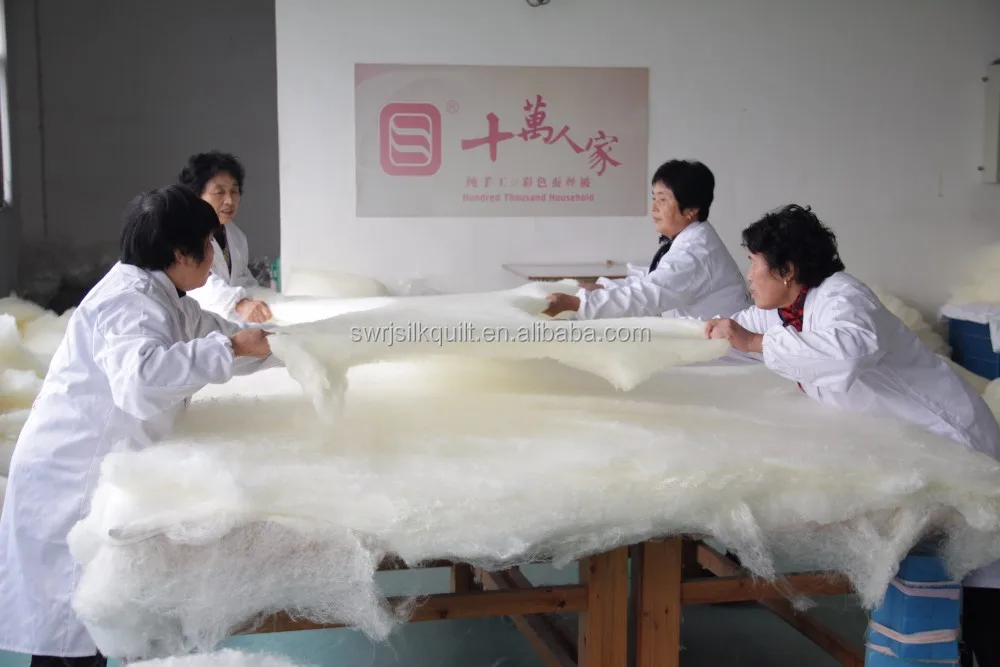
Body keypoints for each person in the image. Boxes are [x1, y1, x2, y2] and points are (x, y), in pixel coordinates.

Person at [705, 203, 1000, 667]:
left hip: (953, 443)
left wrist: (754, 343)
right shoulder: (786, 310)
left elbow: (844, 355)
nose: (749, 275)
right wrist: (667, 339)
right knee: (943, 592)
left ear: (787, 270)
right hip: (915, 452)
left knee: (981, 588)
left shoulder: (844, 299)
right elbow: (733, 337)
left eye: (753, 263)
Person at [0, 185, 278, 667]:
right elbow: (141, 381)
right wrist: (232, 349)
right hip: (71, 479)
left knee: (97, 622)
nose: (212, 257)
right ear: (180, 252)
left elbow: (218, 337)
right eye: (206, 245)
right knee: (75, 632)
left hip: (98, 471)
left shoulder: (166, 295)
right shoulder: (128, 301)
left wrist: (284, 346)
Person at [544, 160, 749, 320]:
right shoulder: (691, 240)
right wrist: (601, 288)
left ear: (691, 209)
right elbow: (652, 280)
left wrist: (576, 304)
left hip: (724, 351)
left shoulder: (694, 252)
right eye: (654, 198)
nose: (654, 208)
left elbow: (648, 295)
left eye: (663, 199)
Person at [178, 150, 272, 323]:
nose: (229, 200)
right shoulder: (182, 234)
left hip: (225, 325)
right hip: (191, 325)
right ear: (196, 195)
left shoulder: (236, 236)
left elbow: (242, 281)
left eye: (234, 191)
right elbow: (196, 285)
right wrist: (238, 304)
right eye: (219, 192)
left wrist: (266, 300)